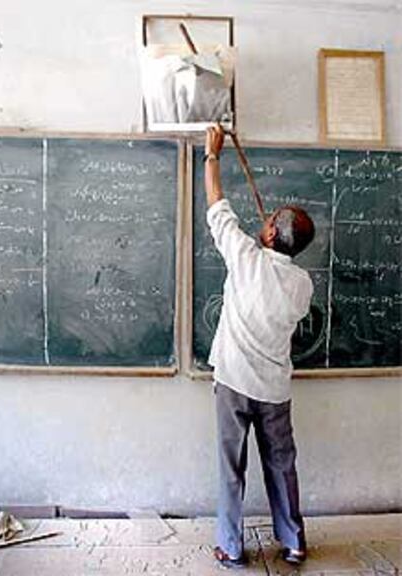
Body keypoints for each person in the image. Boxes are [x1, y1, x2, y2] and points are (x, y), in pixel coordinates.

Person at [204, 125, 315, 569]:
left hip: (233, 382)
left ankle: (231, 548)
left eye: (270, 220)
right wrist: (267, 241)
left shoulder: (245, 257)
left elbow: (218, 208)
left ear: (270, 234)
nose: (265, 220)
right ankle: (293, 543)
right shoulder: (302, 284)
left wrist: (212, 157)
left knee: (231, 470)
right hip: (274, 390)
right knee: (282, 466)